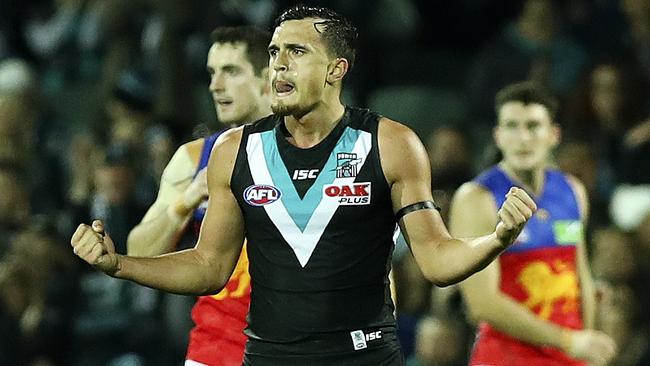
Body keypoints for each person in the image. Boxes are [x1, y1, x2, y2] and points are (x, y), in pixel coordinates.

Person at [71, 5, 538, 365]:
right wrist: (119, 264)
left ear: (336, 70)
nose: (279, 66)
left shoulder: (391, 144)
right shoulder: (235, 153)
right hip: (268, 359)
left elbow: (436, 260)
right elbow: (209, 267)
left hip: (365, 358)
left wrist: (496, 237)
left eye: (296, 53)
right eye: (274, 53)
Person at [125, 26, 272, 366]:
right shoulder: (194, 159)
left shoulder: (312, 156)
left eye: (231, 71)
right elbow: (139, 252)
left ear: (267, 78)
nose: (215, 85)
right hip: (214, 352)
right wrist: (188, 198)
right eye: (211, 72)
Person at [449, 81, 617, 366]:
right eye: (512, 126)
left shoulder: (572, 190)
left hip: (568, 357)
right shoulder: (477, 198)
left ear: (554, 135)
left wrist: (586, 342)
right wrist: (569, 341)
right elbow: (481, 304)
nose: (523, 138)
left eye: (533, 126)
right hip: (506, 358)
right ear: (498, 136)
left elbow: (581, 275)